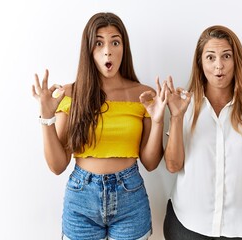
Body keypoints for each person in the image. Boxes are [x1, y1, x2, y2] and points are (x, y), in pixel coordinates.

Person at [32, 12, 167, 240]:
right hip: (81, 198)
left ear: (124, 47)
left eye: (115, 42)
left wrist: (157, 120)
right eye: (99, 43)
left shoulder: (143, 95)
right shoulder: (70, 94)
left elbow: (151, 163)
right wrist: (47, 117)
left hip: (130, 199)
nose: (108, 51)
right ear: (89, 50)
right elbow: (57, 166)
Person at [163, 25, 242, 240]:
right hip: (187, 226)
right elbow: (173, 165)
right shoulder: (184, 106)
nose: (219, 66)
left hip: (240, 228)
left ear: (236, 61)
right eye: (210, 57)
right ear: (200, 63)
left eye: (226, 56)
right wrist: (176, 117)